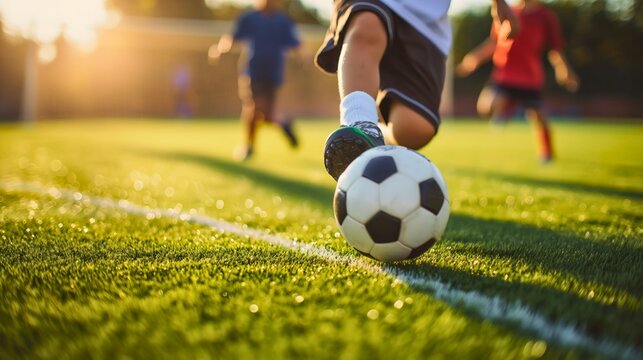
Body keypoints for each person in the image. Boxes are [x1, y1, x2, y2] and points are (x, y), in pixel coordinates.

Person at [315, 0, 519, 181]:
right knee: (367, 24)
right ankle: (359, 125)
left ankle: (373, 137)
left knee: (414, 129)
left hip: (425, 17)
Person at [456, 0, 579, 163]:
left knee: (538, 117)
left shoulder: (545, 16)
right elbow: (493, 42)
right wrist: (474, 59)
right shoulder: (505, 10)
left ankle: (546, 153)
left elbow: (555, 48)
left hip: (529, 77)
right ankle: (508, 107)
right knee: (486, 108)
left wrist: (563, 69)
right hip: (505, 74)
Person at [209, 0, 301, 161]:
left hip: (273, 72)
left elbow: (295, 43)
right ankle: (250, 146)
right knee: (254, 107)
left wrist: (304, 57)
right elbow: (233, 37)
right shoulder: (249, 18)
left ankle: (283, 124)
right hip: (253, 71)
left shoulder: (282, 21)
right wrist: (220, 50)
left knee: (265, 114)